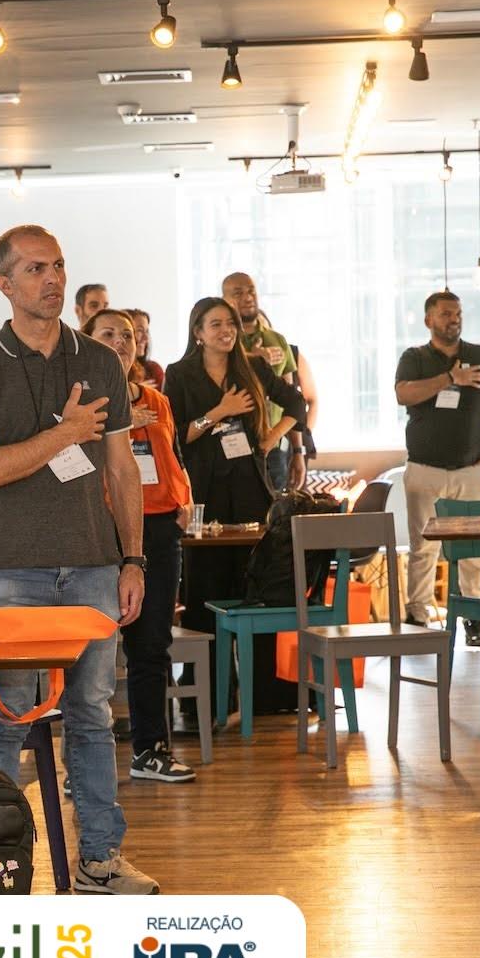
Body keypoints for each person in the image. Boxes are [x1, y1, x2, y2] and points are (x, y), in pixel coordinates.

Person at [0, 225, 159, 895]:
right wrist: (66, 433)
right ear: (4, 283)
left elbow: (121, 469)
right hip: (9, 566)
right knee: (5, 715)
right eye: (36, 269)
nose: (53, 279)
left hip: (95, 564)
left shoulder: (100, 361)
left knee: (93, 715)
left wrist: (133, 559)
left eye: (59, 266)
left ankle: (100, 859)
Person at [165, 296, 310, 717]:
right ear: (198, 332)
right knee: (205, 592)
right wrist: (219, 412)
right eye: (216, 324)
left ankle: (260, 694)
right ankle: (206, 700)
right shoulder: (180, 373)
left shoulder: (254, 368)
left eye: (230, 323)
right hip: (204, 492)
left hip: (250, 488)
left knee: (253, 592)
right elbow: (176, 435)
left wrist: (270, 439)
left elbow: (297, 404)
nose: (226, 330)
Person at [87, 308, 195, 783]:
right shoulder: (79, 402)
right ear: (88, 342)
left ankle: (151, 751)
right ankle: (84, 763)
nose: (120, 341)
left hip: (159, 530)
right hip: (101, 528)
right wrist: (120, 422)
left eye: (127, 335)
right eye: (108, 333)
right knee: (91, 649)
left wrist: (184, 498)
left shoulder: (157, 399)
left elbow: (172, 457)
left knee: (152, 644)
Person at [393, 290, 480, 645]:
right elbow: (403, 394)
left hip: (473, 470)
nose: (454, 319)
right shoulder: (414, 358)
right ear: (428, 320)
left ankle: (474, 618)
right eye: (446, 313)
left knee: (473, 549)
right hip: (425, 470)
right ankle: (417, 616)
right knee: (423, 547)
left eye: (458, 313)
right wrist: (450, 378)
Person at [222, 272, 316, 486]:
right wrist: (255, 359)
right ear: (225, 300)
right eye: (238, 293)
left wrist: (298, 451)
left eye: (251, 291)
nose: (247, 297)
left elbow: (292, 400)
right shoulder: (224, 340)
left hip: (273, 447)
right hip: (230, 442)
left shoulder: (277, 340)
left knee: (276, 506)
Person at [127, 307, 164, 390]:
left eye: (147, 331)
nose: (146, 338)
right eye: (140, 330)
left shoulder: (154, 369)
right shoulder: (109, 372)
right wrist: (136, 391)